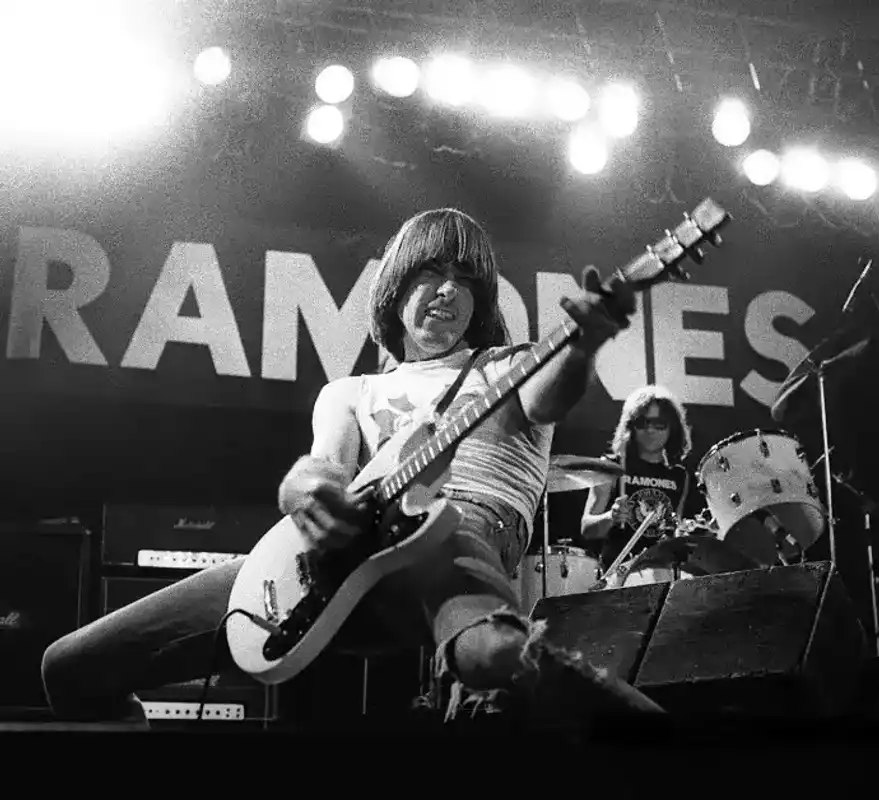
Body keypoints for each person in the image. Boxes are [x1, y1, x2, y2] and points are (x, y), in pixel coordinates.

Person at [41, 208, 664, 729]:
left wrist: (584, 343)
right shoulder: (349, 391)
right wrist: (306, 492)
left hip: (459, 531)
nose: (448, 289)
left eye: (464, 278)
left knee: (490, 654)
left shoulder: (507, 366)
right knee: (71, 668)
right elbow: (320, 469)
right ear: (396, 286)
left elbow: (549, 396)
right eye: (430, 271)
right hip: (338, 571)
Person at [580, 385, 692, 582]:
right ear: (631, 425)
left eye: (659, 424)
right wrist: (610, 517)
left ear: (672, 428)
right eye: (643, 422)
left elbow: (675, 531)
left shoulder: (679, 476)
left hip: (661, 573)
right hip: (618, 573)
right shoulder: (612, 467)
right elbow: (587, 529)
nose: (650, 430)